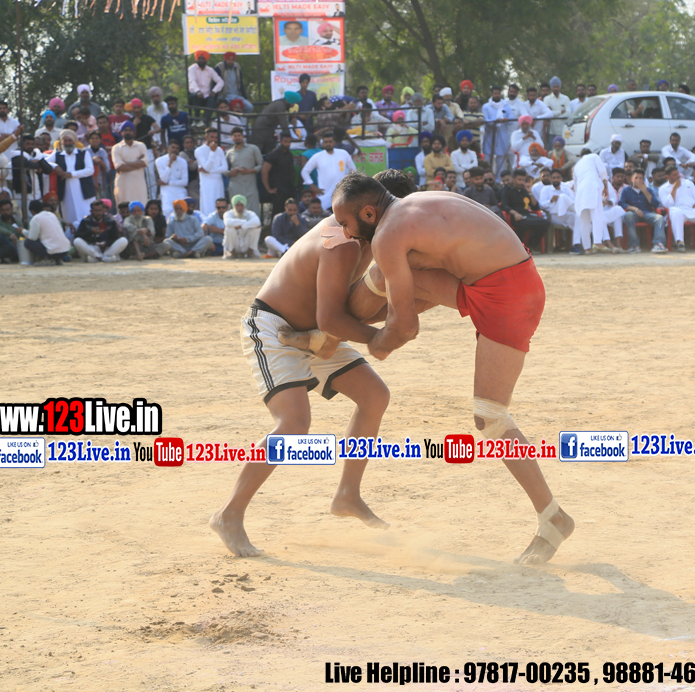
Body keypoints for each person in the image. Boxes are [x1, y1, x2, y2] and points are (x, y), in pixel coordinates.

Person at [329, 173, 575, 564]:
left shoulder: (387, 235)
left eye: (345, 223)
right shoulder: (420, 202)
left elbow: (406, 328)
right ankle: (326, 329)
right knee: (390, 274)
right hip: (503, 280)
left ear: (370, 213)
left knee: (490, 417)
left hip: (508, 295)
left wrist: (376, 344)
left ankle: (553, 518)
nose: (345, 233)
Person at [208, 174, 404, 558]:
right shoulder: (342, 239)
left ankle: (347, 495)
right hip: (274, 327)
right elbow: (332, 317)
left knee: (374, 396)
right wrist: (378, 338)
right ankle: (228, 514)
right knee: (294, 425)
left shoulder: (373, 237)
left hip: (313, 330)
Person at [48, 129, 96, 229]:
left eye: (70, 140)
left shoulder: (83, 153)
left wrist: (72, 174)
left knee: (86, 213)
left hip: (84, 191)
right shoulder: (58, 155)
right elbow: (45, 161)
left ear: (74, 141)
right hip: (66, 192)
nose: (67, 143)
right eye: (65, 141)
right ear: (61, 142)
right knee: (69, 216)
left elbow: (90, 170)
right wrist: (55, 166)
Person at [660, 164, 695, 252]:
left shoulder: (688, 183)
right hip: (677, 210)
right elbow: (667, 205)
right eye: (674, 175)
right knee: (676, 212)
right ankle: (680, 243)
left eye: (677, 173)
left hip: (692, 209)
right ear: (668, 177)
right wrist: (674, 188)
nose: (678, 176)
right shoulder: (663, 188)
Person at [301, 132, 357, 212]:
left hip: (341, 193)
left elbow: (353, 170)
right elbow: (305, 172)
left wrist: (349, 185)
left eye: (330, 141)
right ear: (323, 143)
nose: (328, 144)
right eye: (326, 142)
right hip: (324, 194)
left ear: (334, 142)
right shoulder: (318, 156)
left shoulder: (343, 153)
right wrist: (313, 187)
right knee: (326, 216)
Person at [499, 168, 551, 251]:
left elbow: (535, 207)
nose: (521, 182)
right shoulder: (507, 191)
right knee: (523, 225)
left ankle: (531, 245)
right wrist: (515, 213)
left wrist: (530, 192)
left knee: (545, 223)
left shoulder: (525, 190)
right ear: (514, 179)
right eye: (519, 180)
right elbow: (504, 206)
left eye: (523, 180)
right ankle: (518, 247)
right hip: (514, 216)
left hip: (526, 215)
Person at [571, 147, 609, 255]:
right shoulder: (593, 156)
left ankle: (587, 247)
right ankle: (597, 241)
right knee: (597, 214)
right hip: (591, 187)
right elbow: (602, 171)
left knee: (584, 220)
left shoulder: (577, 165)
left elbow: (575, 184)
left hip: (580, 192)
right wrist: (605, 186)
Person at [620, 168, 666, 253]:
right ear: (632, 179)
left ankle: (658, 244)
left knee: (660, 218)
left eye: (641, 178)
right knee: (628, 215)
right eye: (636, 178)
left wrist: (645, 191)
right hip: (633, 214)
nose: (638, 180)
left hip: (647, 213)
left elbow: (656, 204)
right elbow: (622, 203)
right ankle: (634, 245)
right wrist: (635, 209)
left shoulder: (648, 189)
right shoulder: (626, 190)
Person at [225, 127, 263, 214]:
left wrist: (249, 171)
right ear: (232, 137)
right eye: (235, 136)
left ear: (243, 136)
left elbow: (261, 165)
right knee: (236, 212)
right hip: (235, 186)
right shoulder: (229, 152)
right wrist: (231, 173)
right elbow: (224, 169)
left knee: (253, 211)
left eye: (239, 135)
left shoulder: (253, 148)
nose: (237, 138)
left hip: (250, 186)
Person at [110, 122, 148, 204]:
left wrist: (125, 163)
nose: (128, 132)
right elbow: (120, 167)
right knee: (124, 208)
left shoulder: (141, 146)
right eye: (126, 130)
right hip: (123, 185)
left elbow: (144, 163)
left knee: (141, 206)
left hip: (139, 184)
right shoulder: (116, 148)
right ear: (122, 132)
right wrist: (137, 163)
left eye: (130, 130)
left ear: (133, 132)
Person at [482, 85, 516, 175]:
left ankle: (499, 179)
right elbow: (485, 120)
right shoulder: (486, 106)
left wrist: (506, 119)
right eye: (495, 93)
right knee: (487, 157)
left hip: (502, 134)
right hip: (489, 135)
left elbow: (511, 120)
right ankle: (487, 177)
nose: (497, 95)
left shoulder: (506, 106)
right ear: (492, 94)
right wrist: (495, 121)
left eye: (498, 93)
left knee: (501, 158)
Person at [196, 127, 229, 218]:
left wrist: (209, 171)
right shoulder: (199, 151)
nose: (214, 139)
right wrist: (212, 152)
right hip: (207, 184)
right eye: (212, 137)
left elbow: (225, 168)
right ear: (206, 137)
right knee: (208, 206)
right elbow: (207, 167)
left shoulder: (219, 150)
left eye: (216, 137)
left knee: (220, 206)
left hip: (218, 183)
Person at [155, 139, 189, 218]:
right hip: (166, 191)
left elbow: (185, 182)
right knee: (167, 211)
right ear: (168, 148)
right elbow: (164, 179)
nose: (175, 150)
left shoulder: (183, 162)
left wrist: (169, 183)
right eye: (173, 147)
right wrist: (170, 163)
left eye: (177, 148)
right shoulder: (159, 161)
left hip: (179, 191)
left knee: (182, 212)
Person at [188, 51, 225, 122]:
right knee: (196, 97)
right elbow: (192, 81)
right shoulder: (192, 68)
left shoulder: (210, 70)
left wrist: (214, 91)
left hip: (206, 96)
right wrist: (198, 91)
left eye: (203, 59)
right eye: (199, 58)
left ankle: (204, 122)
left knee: (211, 101)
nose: (201, 60)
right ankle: (197, 119)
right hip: (194, 95)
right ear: (197, 59)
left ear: (206, 60)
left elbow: (221, 82)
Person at [263, 133, 298, 207]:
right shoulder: (273, 155)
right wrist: (268, 189)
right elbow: (264, 171)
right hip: (278, 191)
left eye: (289, 142)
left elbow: (292, 171)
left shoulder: (289, 155)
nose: (287, 144)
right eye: (285, 141)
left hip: (289, 189)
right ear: (281, 141)